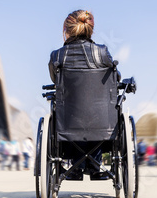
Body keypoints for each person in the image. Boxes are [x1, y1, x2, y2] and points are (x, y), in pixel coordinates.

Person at [48, 10, 119, 180]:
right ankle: (95, 166)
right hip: (102, 123)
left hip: (69, 123)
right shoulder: (102, 52)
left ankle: (75, 167)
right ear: (91, 28)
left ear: (67, 29)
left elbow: (54, 79)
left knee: (68, 111)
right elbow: (115, 78)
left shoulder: (57, 56)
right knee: (98, 112)